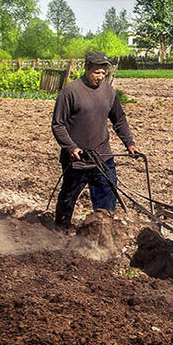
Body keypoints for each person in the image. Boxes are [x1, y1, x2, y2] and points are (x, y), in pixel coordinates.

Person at [50, 50, 139, 228]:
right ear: (86, 68)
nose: (100, 77)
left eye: (103, 73)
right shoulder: (70, 92)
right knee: (68, 197)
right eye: (96, 72)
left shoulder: (109, 91)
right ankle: (60, 231)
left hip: (103, 157)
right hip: (77, 160)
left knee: (107, 202)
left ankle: (102, 236)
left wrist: (129, 143)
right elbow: (58, 124)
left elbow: (119, 119)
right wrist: (72, 148)